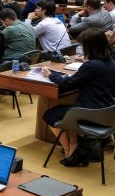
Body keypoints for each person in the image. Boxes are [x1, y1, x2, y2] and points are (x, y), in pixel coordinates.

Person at [42, 29, 115, 166]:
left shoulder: (91, 66)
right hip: (108, 111)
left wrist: (50, 74)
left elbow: (66, 84)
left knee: (50, 115)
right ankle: (75, 146)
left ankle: (69, 150)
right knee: (67, 112)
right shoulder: (111, 62)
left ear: (90, 47)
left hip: (91, 113)